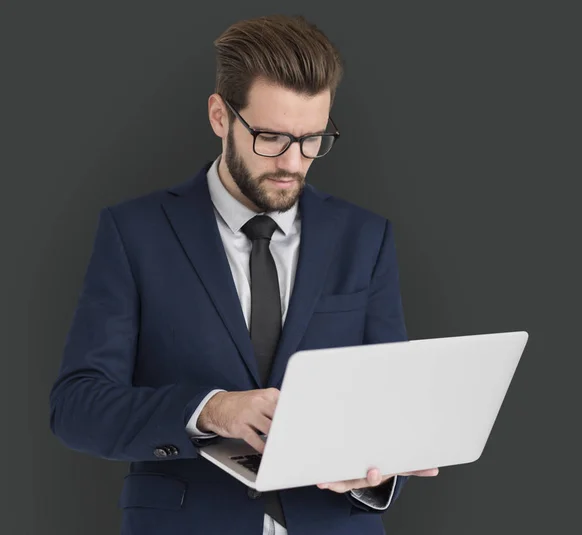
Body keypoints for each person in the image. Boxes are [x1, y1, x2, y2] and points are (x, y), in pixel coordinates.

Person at [49, 14, 438, 535]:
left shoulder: (365, 238)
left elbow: (388, 399)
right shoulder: (135, 232)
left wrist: (378, 474)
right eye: (271, 137)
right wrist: (209, 410)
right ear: (219, 116)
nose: (293, 163)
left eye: (312, 140)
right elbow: (77, 406)